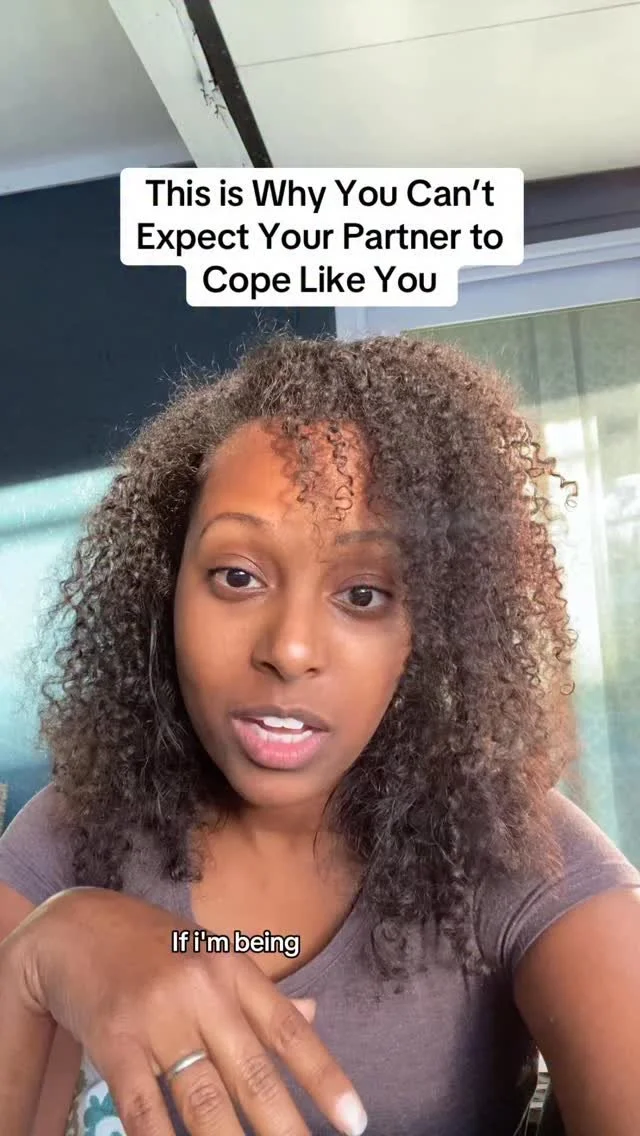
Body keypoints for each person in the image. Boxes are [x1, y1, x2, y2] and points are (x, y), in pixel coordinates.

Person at [0, 333, 638, 1136]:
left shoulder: (527, 858)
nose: (291, 648)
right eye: (237, 576)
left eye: (363, 595)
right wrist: (37, 956)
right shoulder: (68, 840)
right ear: (166, 588)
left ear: (429, 630)